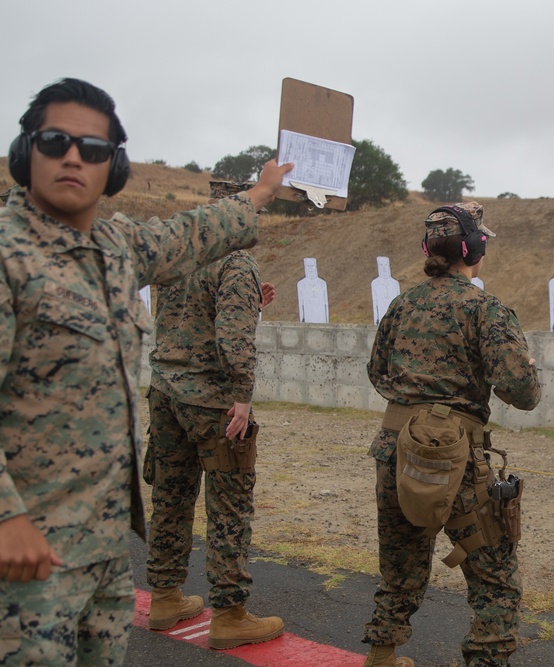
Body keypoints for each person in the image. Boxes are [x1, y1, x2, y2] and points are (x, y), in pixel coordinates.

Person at [0, 77, 291, 665]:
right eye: (55, 141)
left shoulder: (116, 245)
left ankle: (161, 590)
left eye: (95, 149)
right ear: (26, 152)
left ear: (116, 166)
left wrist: (261, 191)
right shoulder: (9, 258)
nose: (75, 157)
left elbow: (190, 233)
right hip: (30, 548)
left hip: (104, 547)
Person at [363, 202, 541, 667]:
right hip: (459, 459)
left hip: (396, 450)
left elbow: (378, 373)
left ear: (429, 250)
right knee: (494, 576)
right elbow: (523, 393)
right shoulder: (486, 309)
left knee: (399, 564)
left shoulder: (402, 305)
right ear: (475, 248)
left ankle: (382, 653)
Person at [143, 245, 282, 647]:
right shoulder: (237, 261)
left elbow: (185, 320)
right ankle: (229, 615)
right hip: (211, 402)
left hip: (166, 392)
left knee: (170, 497)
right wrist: (242, 394)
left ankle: (165, 598)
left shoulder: (180, 254)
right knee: (229, 507)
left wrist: (248, 302)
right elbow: (233, 334)